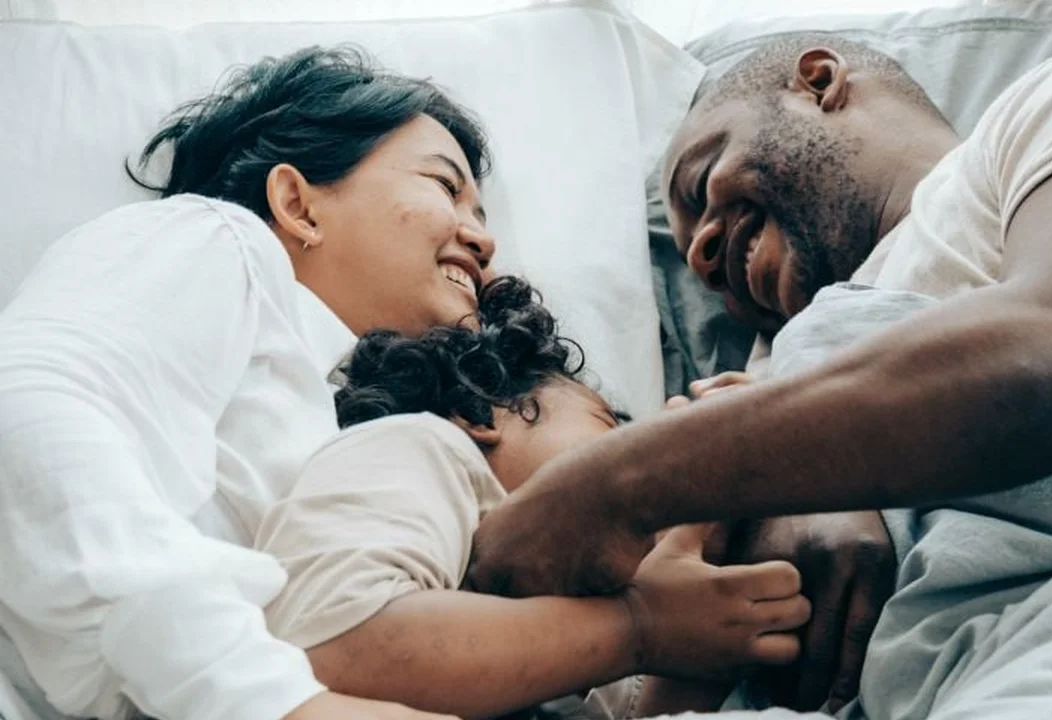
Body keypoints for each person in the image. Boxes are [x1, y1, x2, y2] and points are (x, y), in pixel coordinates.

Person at [466, 33, 1052, 720]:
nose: (703, 253)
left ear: (817, 84)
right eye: (691, 250)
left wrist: (617, 484)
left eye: (700, 185)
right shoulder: (771, 377)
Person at [0, 46, 497, 720]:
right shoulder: (218, 241)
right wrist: (272, 701)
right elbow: (32, 410)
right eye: (446, 187)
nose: (483, 240)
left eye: (485, 214)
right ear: (297, 205)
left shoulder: (347, 413)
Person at [255, 276, 811, 718]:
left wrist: (701, 540)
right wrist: (640, 625)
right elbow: (339, 647)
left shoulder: (571, 627)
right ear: (480, 412)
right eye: (611, 430)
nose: (634, 462)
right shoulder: (421, 445)